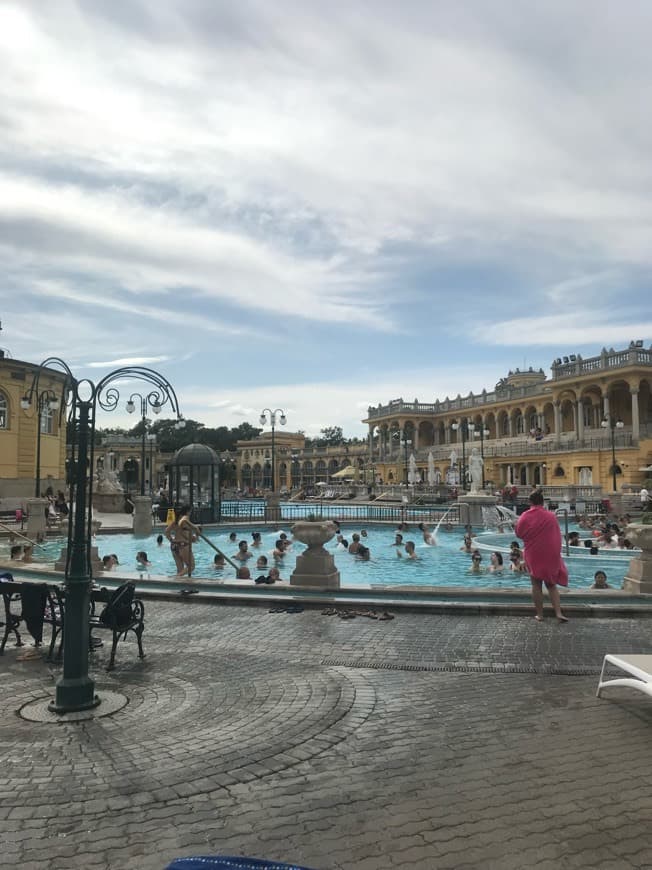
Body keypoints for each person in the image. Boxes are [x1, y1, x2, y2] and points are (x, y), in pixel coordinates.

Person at [515, 489, 569, 622]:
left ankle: (540, 614)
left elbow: (519, 533)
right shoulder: (551, 516)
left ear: (530, 502)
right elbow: (556, 536)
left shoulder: (525, 516)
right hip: (550, 553)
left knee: (536, 584)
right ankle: (558, 613)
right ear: (543, 501)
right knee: (551, 584)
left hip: (534, 552)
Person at [175, 505, 201, 577]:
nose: (191, 513)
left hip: (178, 545)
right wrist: (195, 527)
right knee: (191, 566)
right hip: (184, 545)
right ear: (188, 511)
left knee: (181, 569)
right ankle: (176, 578)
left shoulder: (180, 520)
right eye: (191, 511)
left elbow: (184, 532)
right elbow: (184, 521)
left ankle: (178, 579)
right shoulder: (185, 518)